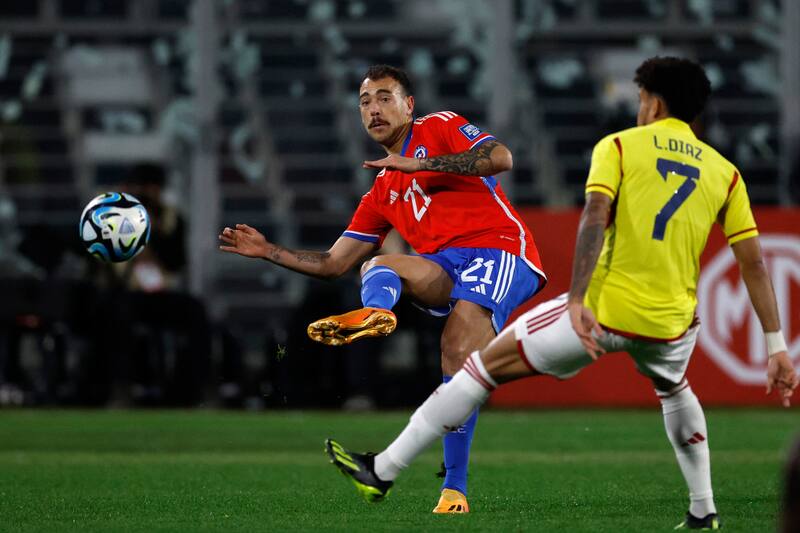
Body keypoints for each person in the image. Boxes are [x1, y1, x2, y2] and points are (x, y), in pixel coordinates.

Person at [324, 57, 800, 529]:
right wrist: (776, 347)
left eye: (639, 98)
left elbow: (594, 218)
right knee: (676, 392)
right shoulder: (726, 172)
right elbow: (754, 263)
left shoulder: (620, 146)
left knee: (475, 370)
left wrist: (576, 300)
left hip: (604, 309)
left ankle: (382, 470)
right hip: (674, 321)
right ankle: (703, 509)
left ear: (654, 104)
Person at [219, 64, 547, 512]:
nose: (374, 109)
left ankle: (454, 488)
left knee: (456, 344)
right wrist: (270, 251)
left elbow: (502, 158)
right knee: (376, 265)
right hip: (445, 266)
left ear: (409, 105)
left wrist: (420, 163)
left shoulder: (439, 126)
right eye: (365, 101)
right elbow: (335, 263)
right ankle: (378, 313)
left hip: (501, 250)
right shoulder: (382, 190)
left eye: (384, 97)